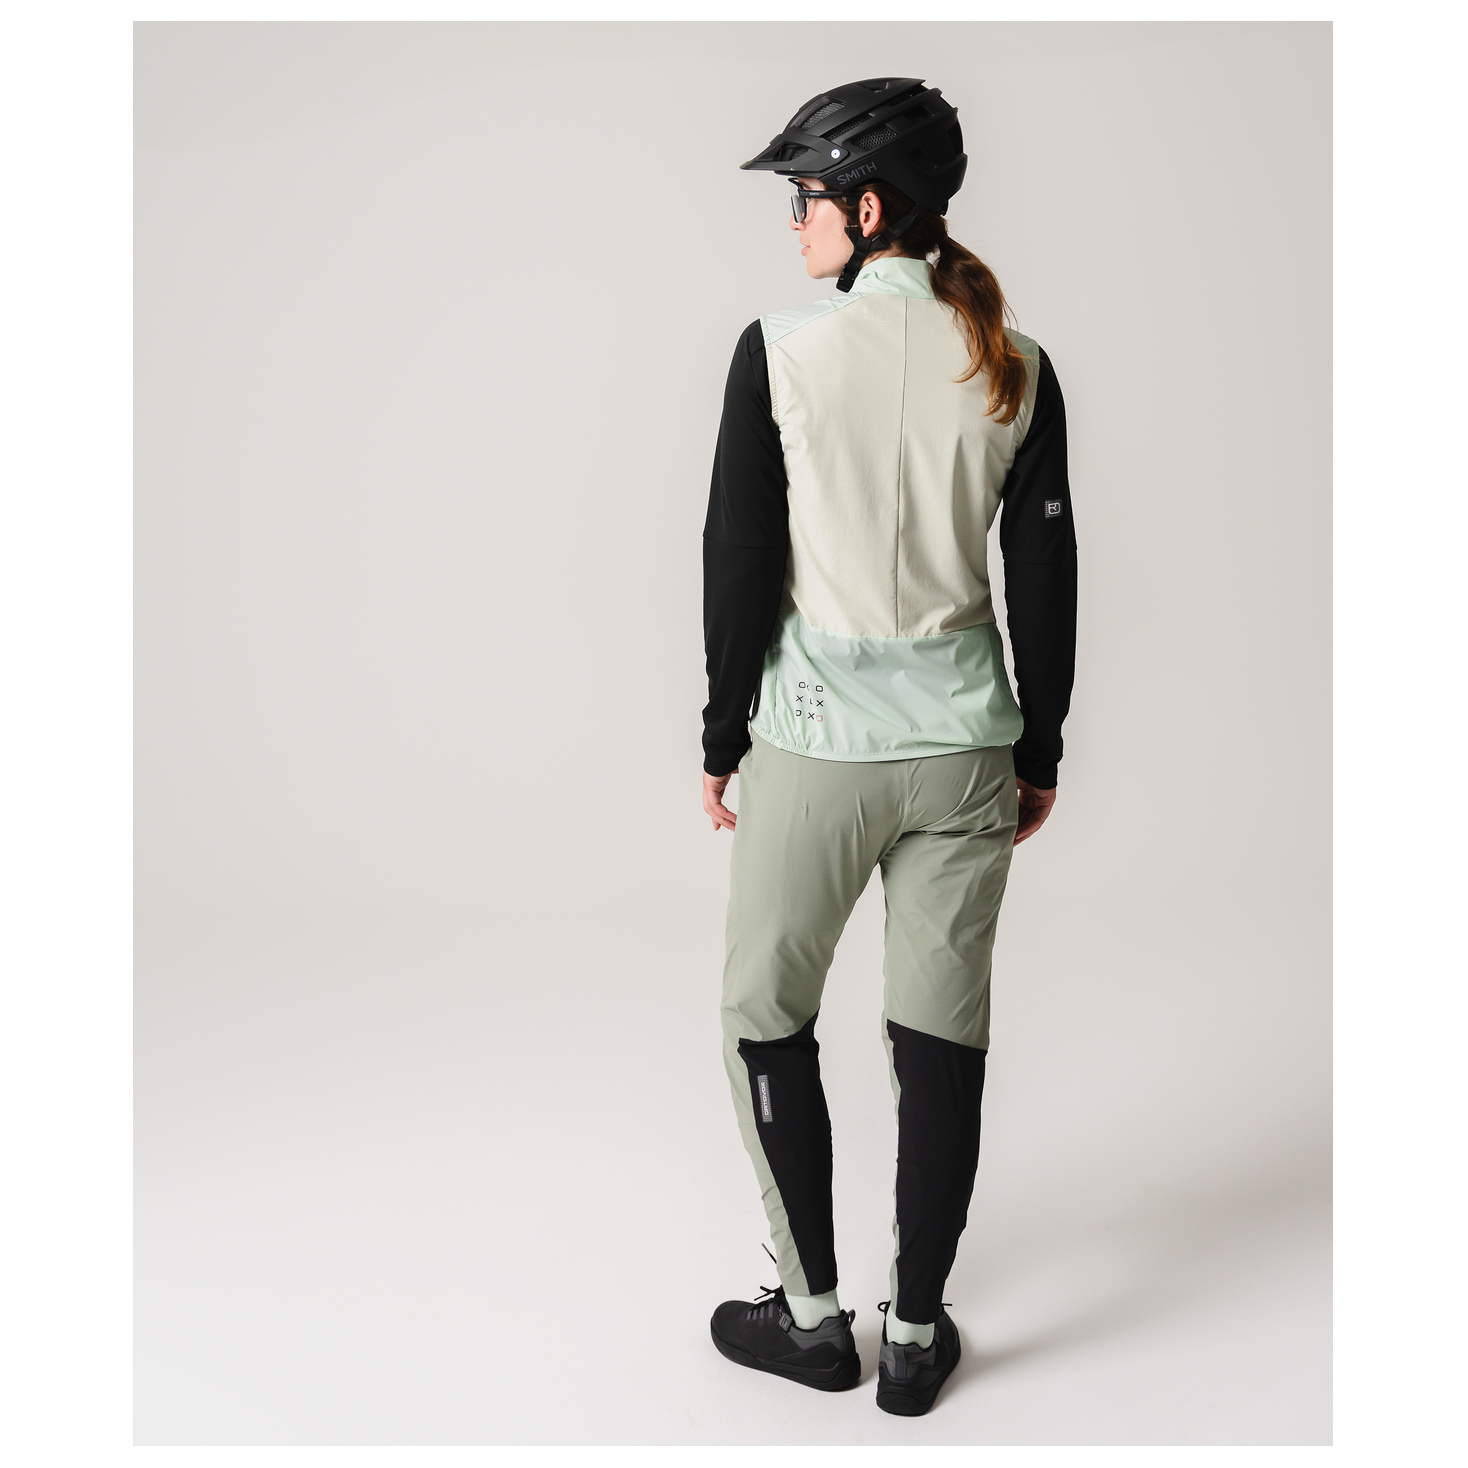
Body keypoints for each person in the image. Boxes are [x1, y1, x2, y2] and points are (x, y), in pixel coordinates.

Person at [700, 78, 1077, 1417]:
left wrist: (720, 733)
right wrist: (1041, 748)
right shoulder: (1017, 364)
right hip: (968, 754)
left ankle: (811, 1322)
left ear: (869, 210)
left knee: (765, 1016)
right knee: (941, 1036)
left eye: (806, 198)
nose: (796, 221)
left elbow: (740, 559)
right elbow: (1047, 577)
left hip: (814, 748)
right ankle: (914, 1337)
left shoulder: (779, 350)